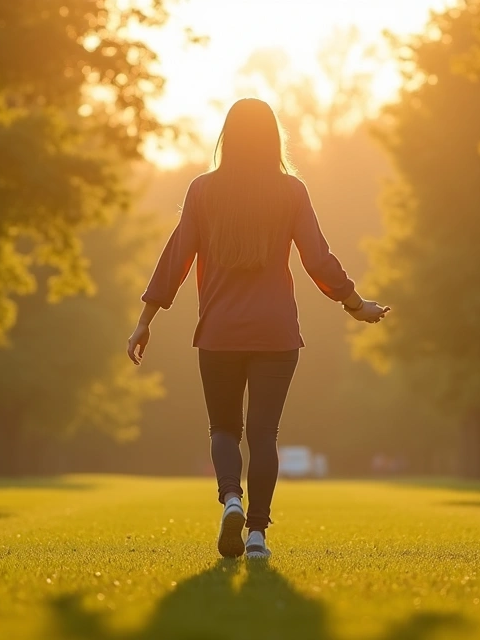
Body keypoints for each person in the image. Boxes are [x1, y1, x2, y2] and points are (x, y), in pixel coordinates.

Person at [126, 98, 389, 560]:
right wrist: (353, 303)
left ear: (227, 137)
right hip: (276, 334)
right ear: (273, 138)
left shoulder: (203, 190)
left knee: (224, 428)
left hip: (219, 334)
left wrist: (145, 321)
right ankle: (256, 536)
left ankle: (231, 498)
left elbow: (177, 258)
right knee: (264, 435)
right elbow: (317, 257)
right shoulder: (291, 192)